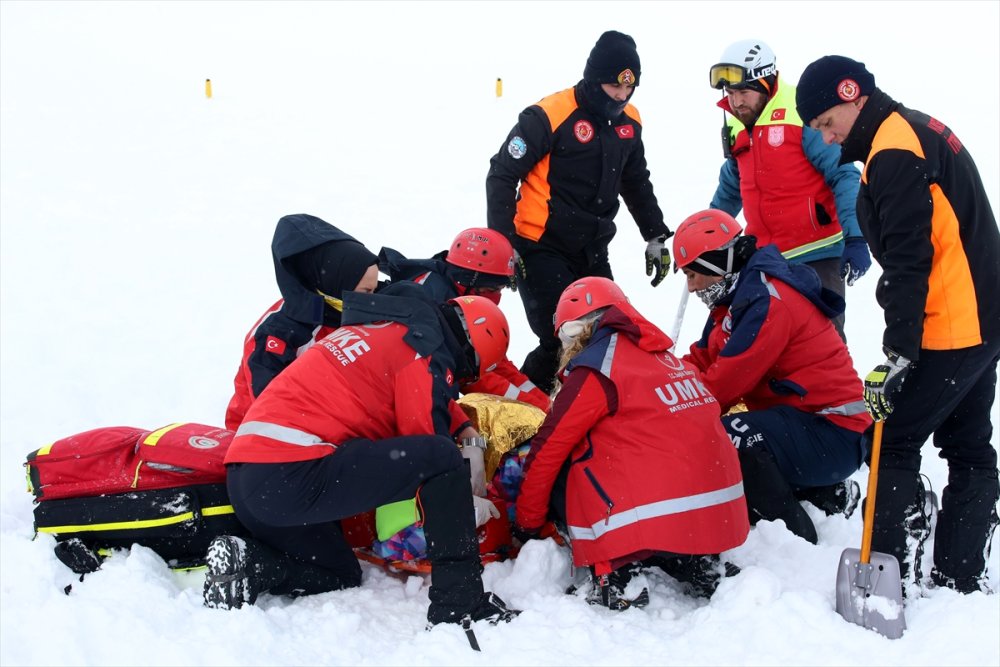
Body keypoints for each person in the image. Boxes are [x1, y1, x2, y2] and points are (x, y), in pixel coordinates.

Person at [204, 288, 520, 637]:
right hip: (292, 475)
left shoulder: (387, 330)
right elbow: (427, 441)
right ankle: (460, 603)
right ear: (473, 351)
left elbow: (422, 394)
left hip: (249, 480)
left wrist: (465, 429)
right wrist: (462, 497)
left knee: (341, 572)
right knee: (443, 458)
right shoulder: (421, 350)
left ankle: (251, 564)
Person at [795, 55, 1000, 594]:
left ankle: (881, 579)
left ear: (852, 94)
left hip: (953, 323)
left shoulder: (893, 150)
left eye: (826, 122)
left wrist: (899, 354)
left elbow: (911, 260)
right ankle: (959, 577)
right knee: (969, 444)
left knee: (892, 438)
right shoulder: (911, 129)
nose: (827, 137)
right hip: (982, 316)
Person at [512, 276, 749, 610]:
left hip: (652, 514)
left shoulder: (596, 370)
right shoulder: (669, 361)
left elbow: (548, 450)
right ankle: (694, 559)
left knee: (572, 461)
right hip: (718, 513)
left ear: (580, 328)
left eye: (566, 336)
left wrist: (527, 523)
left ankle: (616, 571)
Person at [486, 30, 672, 395]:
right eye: (614, 86)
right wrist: (504, 244)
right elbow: (502, 174)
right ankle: (527, 405)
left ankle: (586, 407)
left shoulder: (630, 122)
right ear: (593, 78)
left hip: (592, 248)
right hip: (539, 246)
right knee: (564, 337)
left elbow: (635, 180)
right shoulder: (549, 115)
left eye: (629, 88)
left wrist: (655, 234)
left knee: (610, 333)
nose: (621, 96)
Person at [675, 209, 870, 545]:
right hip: (803, 423)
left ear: (718, 263)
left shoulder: (768, 301)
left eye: (693, 275)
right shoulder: (737, 298)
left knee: (726, 435)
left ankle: (792, 540)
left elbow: (721, 387)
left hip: (834, 431)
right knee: (721, 433)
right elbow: (702, 358)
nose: (691, 288)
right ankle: (819, 495)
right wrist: (659, 380)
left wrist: (668, 412)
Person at [707, 39, 870, 341]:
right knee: (763, 347)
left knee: (822, 346)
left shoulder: (800, 111)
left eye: (743, 92)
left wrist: (856, 236)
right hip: (765, 260)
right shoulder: (739, 123)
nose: (736, 102)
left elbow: (844, 174)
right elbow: (731, 186)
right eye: (730, 93)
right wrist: (705, 237)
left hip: (817, 256)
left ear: (766, 82)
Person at [224, 213, 379, 431]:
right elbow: (272, 410)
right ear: (334, 284)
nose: (374, 299)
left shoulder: (343, 308)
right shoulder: (276, 335)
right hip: (265, 437)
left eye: (376, 289)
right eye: (366, 291)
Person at [379, 227, 551, 411]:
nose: (496, 298)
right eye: (492, 290)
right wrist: (537, 408)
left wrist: (546, 404)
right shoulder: (438, 306)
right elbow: (473, 377)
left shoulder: (456, 289)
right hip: (397, 393)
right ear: (471, 279)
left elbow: (494, 360)